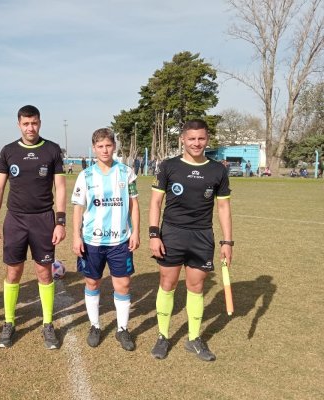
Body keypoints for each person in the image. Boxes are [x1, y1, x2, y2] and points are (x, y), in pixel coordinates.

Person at [148, 119, 232, 362]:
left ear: (207, 139)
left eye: (201, 138)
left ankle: (194, 338)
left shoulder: (218, 170)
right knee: (168, 283)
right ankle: (163, 336)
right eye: (192, 138)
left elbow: (224, 207)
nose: (197, 143)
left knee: (196, 287)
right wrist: (154, 234)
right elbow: (155, 202)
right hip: (172, 233)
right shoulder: (168, 166)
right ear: (182, 139)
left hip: (202, 235)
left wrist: (228, 242)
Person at [0, 105, 66, 350]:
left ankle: (47, 323)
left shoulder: (52, 150)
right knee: (13, 272)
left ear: (40, 123)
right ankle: (9, 322)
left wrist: (61, 222)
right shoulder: (9, 151)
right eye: (25, 124)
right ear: (19, 124)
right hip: (16, 220)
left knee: (44, 272)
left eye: (34, 123)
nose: (30, 128)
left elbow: (61, 188)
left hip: (43, 219)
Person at [71, 128, 140, 349]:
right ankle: (95, 325)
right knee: (92, 282)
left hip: (120, 240)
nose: (104, 150)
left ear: (114, 147)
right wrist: (76, 236)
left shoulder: (126, 172)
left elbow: (135, 205)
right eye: (100, 146)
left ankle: (122, 329)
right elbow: (78, 208)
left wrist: (136, 232)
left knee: (123, 284)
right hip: (92, 240)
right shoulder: (86, 175)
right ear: (94, 149)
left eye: (108, 145)